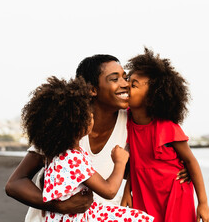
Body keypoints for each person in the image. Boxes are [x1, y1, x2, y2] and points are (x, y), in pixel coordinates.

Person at [5, 54, 189, 221]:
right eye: (114, 79)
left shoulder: (132, 122)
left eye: (125, 77)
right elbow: (15, 183)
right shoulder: (65, 125)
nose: (125, 83)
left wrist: (181, 169)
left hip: (105, 215)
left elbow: (141, 165)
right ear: (92, 89)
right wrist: (59, 205)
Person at [20, 76, 153, 221]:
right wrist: (120, 162)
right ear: (78, 126)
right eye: (88, 115)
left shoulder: (56, 154)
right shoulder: (73, 159)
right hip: (80, 217)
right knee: (140, 218)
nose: (92, 117)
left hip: (58, 217)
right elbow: (109, 191)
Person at [123, 48, 209, 222]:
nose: (127, 86)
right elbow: (137, 163)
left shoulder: (166, 127)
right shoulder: (126, 121)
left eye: (133, 85)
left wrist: (203, 203)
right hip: (144, 192)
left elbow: (191, 161)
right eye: (128, 81)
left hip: (175, 193)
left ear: (152, 97)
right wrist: (127, 191)